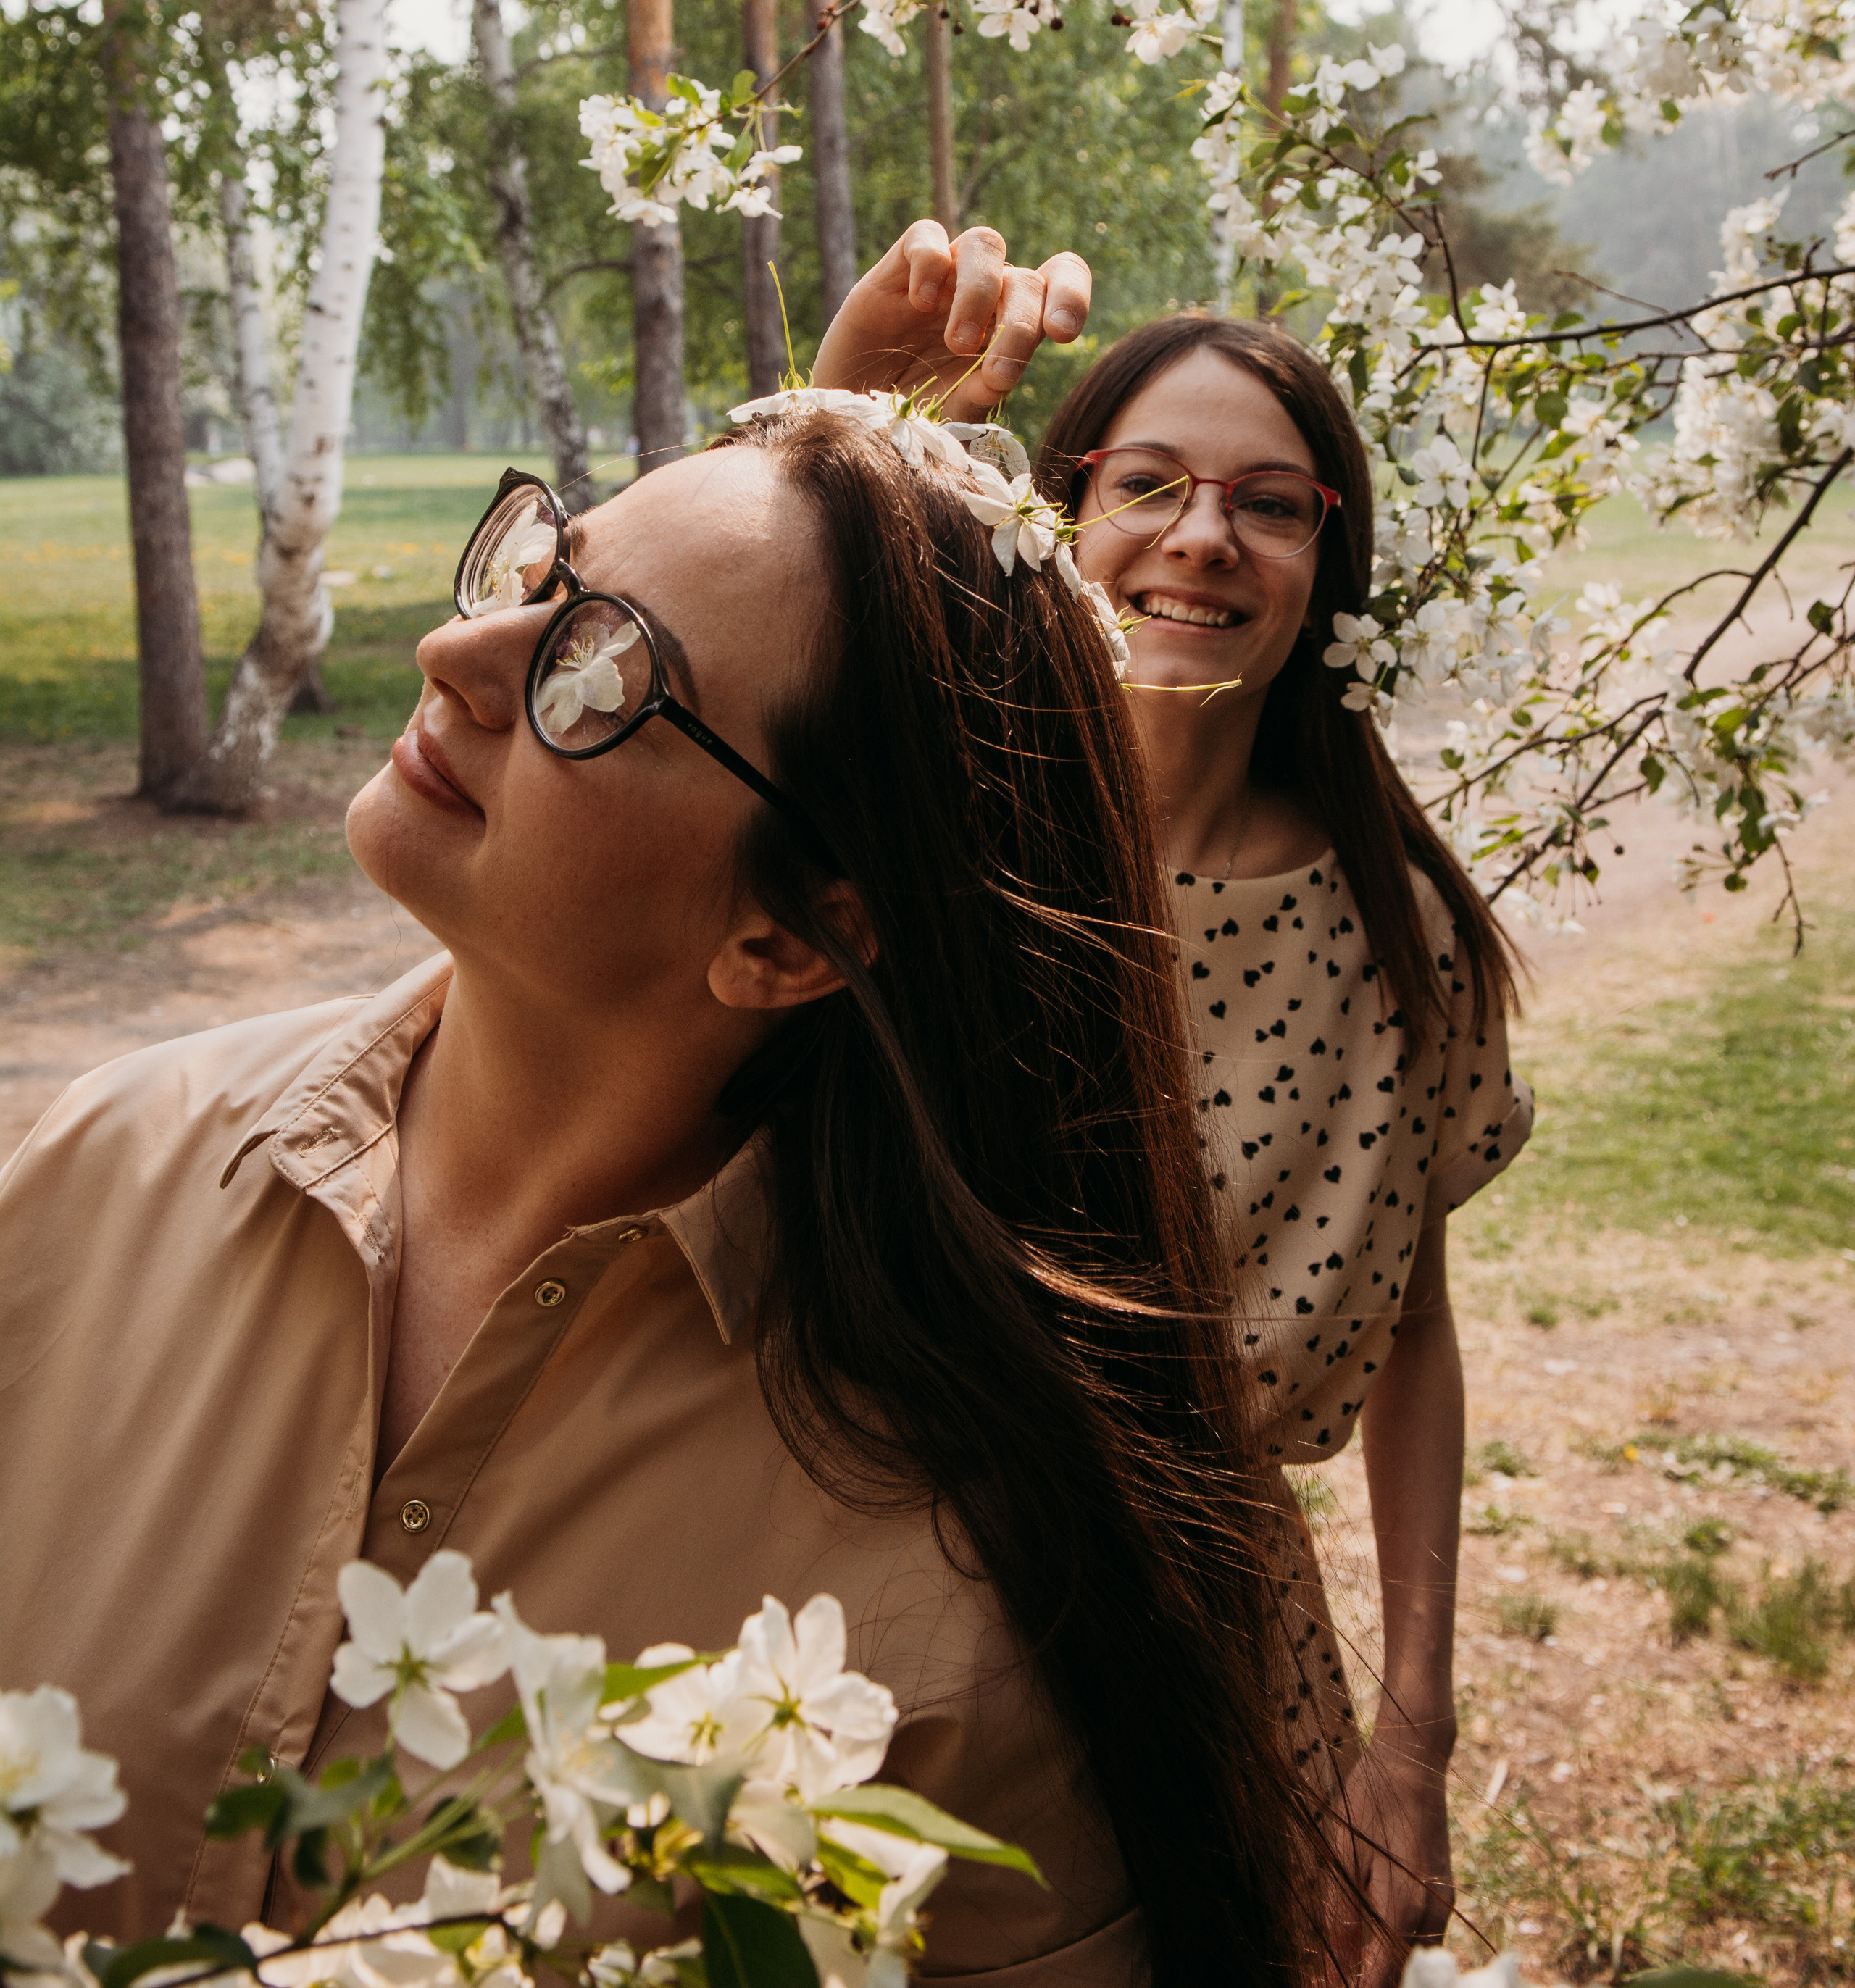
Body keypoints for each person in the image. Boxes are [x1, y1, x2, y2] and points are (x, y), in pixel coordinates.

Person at [1, 390, 1330, 1985]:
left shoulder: (947, 1611)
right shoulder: (99, 1167)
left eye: (601, 675)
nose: (455, 658)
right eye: (537, 575)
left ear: (786, 936)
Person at [817, 248, 1531, 1987]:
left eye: (1266, 505)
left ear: (1320, 569)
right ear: (1054, 519)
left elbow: (1409, 1327)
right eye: (1146, 485)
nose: (1202, 537)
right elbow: (654, 718)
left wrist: (1410, 1739)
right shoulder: (918, 843)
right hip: (845, 1619)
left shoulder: (1398, 936)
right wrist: (845, 412)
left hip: (1216, 1643)